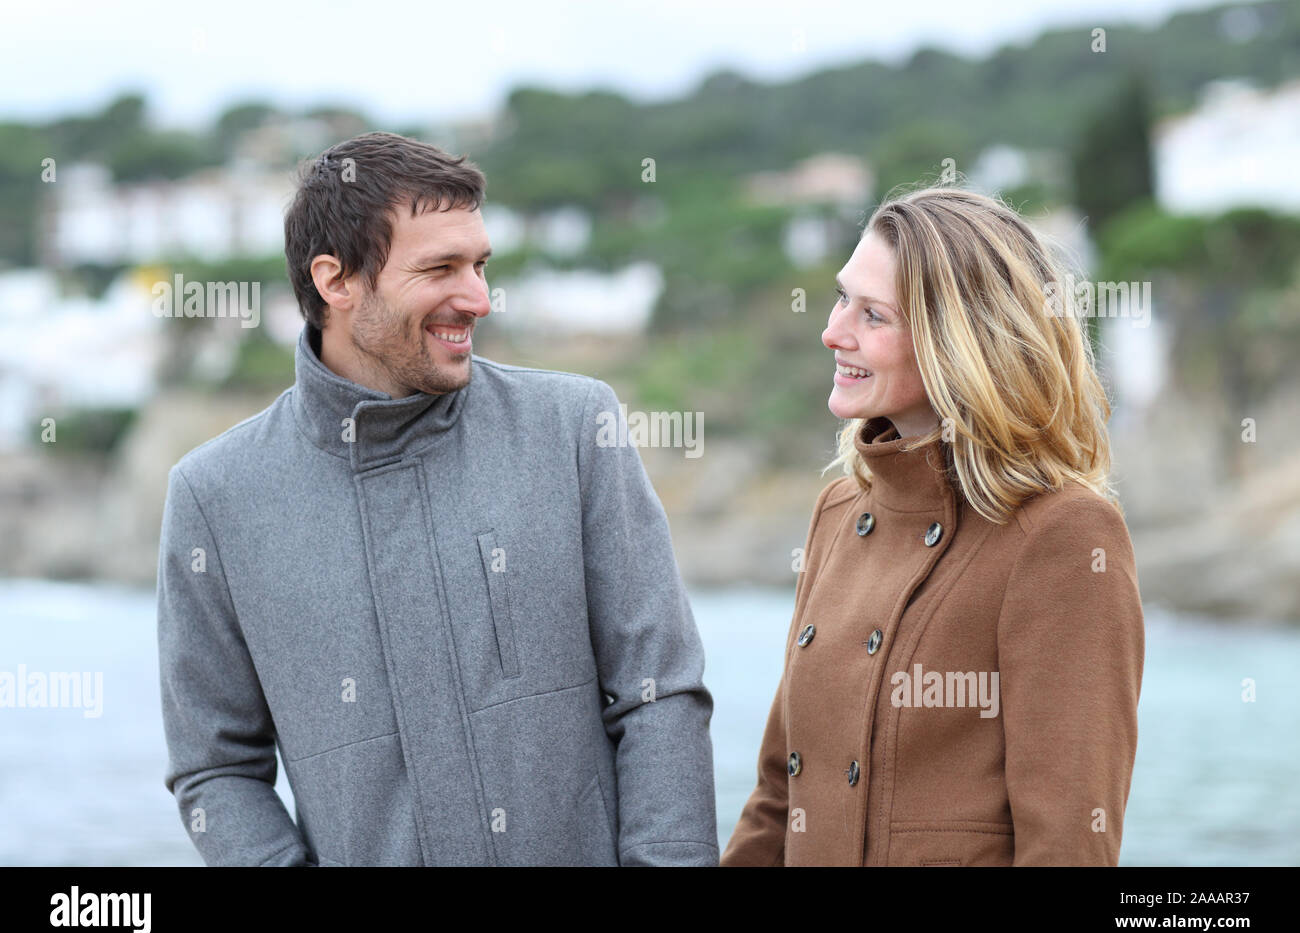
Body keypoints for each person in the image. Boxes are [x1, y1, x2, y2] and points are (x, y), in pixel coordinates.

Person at [156, 132, 718, 866]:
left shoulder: (575, 429)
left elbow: (659, 694)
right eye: (441, 269)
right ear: (337, 281)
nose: (478, 298)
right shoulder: (215, 497)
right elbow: (216, 769)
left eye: (480, 265)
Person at [720, 185, 1144, 866]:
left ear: (960, 343)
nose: (834, 331)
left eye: (874, 315)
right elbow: (780, 795)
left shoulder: (1065, 537)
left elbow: (1067, 842)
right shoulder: (837, 513)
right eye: (840, 298)